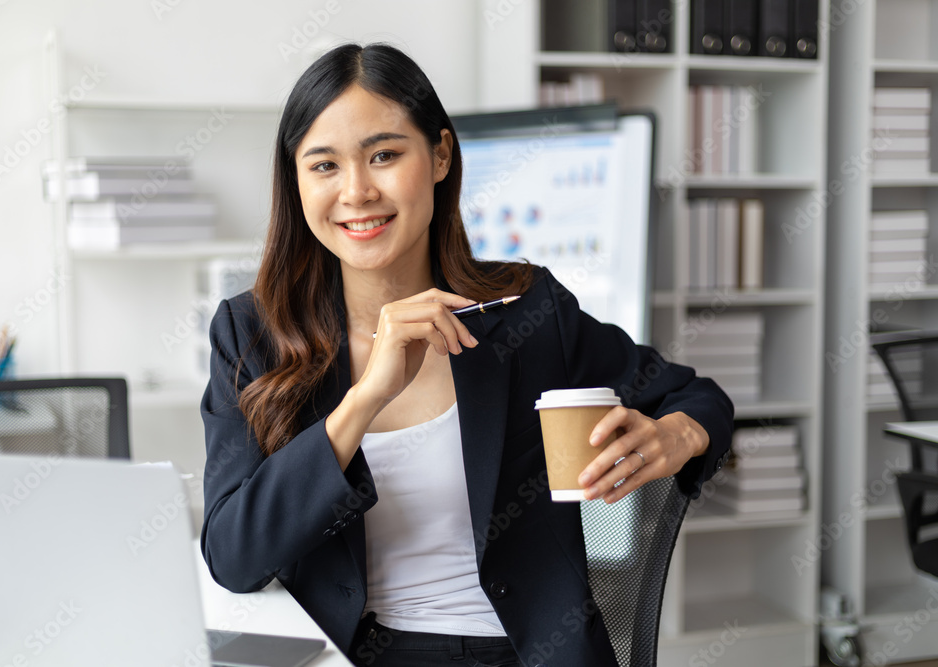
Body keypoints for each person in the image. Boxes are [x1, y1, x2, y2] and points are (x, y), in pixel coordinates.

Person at [200, 42, 733, 667]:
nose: (357, 190)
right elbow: (234, 559)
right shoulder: (254, 333)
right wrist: (366, 397)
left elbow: (696, 395)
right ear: (296, 181)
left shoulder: (524, 309)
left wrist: (678, 435)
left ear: (440, 156)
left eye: (384, 155)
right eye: (324, 166)